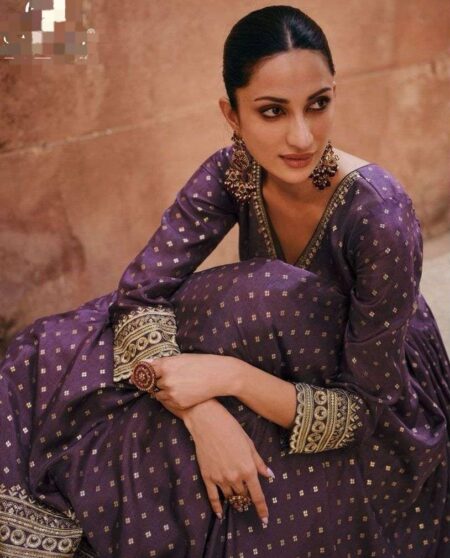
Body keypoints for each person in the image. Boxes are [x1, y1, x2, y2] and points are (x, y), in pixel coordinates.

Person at [1, 5, 449, 558]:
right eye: (272, 111)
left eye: (318, 104)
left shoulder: (379, 215)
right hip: (276, 359)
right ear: (231, 115)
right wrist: (200, 411)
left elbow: (365, 411)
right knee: (54, 352)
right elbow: (139, 293)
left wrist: (229, 377)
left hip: (371, 401)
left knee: (221, 501)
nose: (302, 136)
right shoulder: (234, 170)